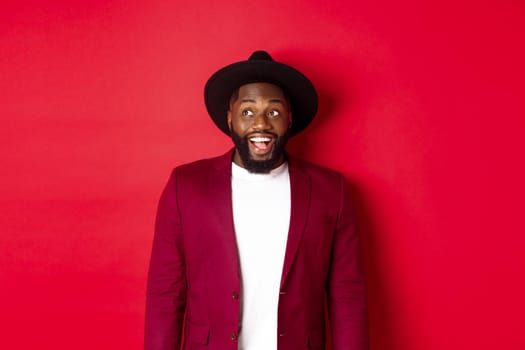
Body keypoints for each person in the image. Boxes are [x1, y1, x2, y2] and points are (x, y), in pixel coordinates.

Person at [145, 50, 368, 350]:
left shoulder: (332, 191)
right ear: (230, 117)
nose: (260, 123)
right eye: (247, 111)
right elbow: (165, 294)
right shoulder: (185, 186)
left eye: (273, 112)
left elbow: (347, 296)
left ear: (289, 119)